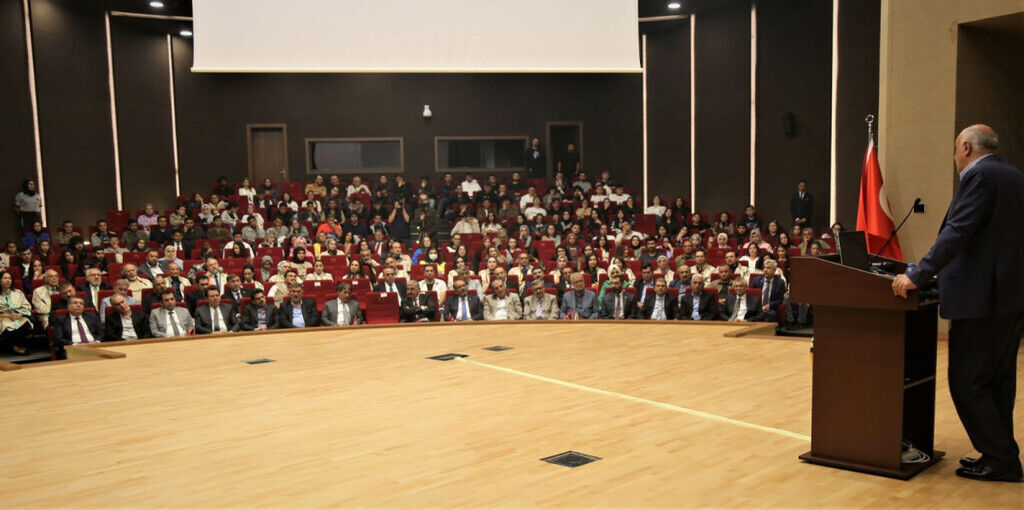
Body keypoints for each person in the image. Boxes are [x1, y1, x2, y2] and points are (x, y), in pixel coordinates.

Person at [892, 124, 1024, 482]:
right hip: (1009, 299)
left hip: (980, 301)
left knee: (966, 382)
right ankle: (999, 454)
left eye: (954, 150)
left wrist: (919, 274)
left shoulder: (979, 176)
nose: (955, 158)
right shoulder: (1013, 176)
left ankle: (1001, 457)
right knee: (998, 382)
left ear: (965, 146)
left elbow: (958, 230)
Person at [0, 271, 33, 354]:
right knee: (7, 325)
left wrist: (20, 314)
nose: (8, 280)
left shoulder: (18, 293)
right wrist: (7, 316)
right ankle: (17, 347)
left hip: (19, 316)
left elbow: (27, 306)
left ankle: (16, 346)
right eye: (5, 278)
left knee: (24, 324)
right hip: (3, 318)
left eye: (9, 278)